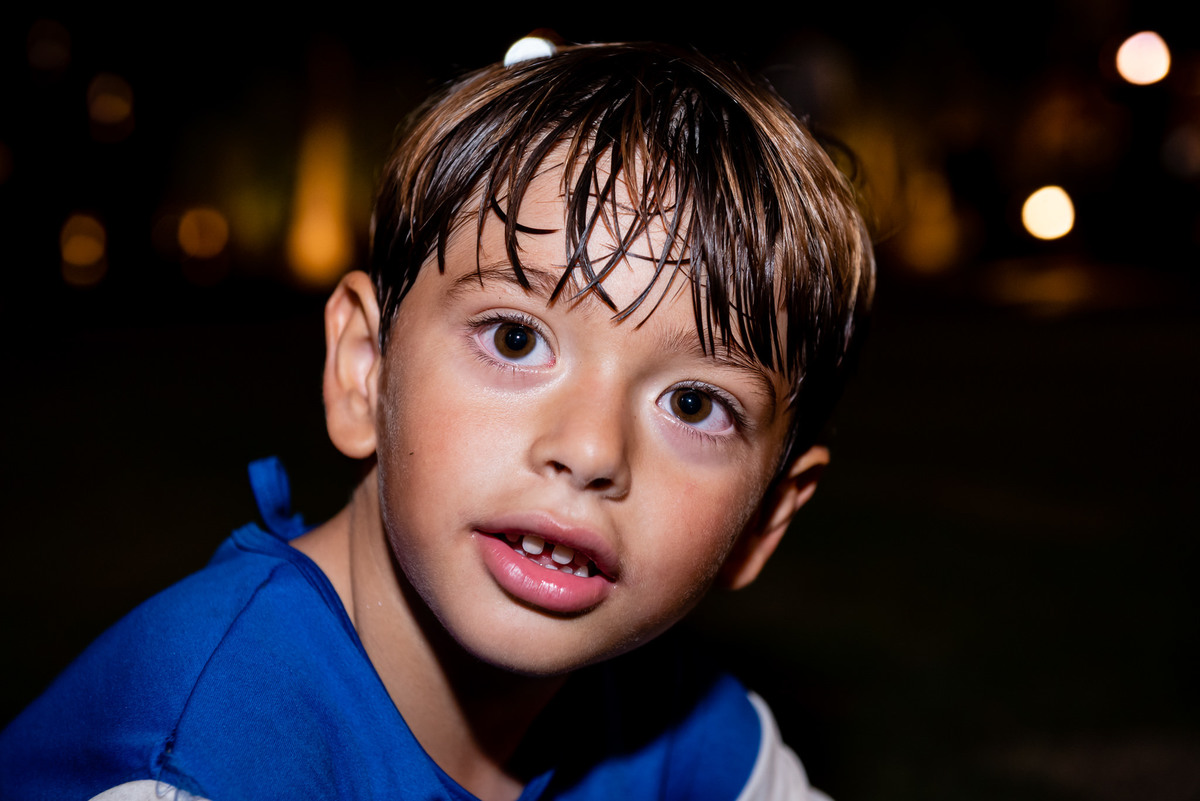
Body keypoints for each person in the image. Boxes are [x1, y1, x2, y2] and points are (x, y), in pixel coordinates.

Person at [0, 38, 874, 801]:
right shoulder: (203, 760)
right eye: (516, 338)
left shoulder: (681, 727)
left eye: (693, 403)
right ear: (365, 370)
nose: (588, 448)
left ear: (764, 520)